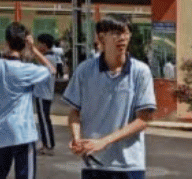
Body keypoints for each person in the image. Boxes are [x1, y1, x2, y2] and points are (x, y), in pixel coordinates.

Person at [63, 17, 157, 179]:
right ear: (101, 38)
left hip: (129, 164)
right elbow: (74, 112)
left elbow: (143, 120)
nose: (122, 38)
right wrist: (76, 138)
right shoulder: (84, 71)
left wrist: (104, 142)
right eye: (116, 33)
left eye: (126, 33)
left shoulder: (140, 72)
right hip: (93, 163)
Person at [0, 22, 57, 179]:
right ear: (25, 44)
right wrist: (34, 49)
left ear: (6, 42)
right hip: (23, 134)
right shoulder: (27, 70)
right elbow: (51, 70)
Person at [33, 33, 59, 154]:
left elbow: (38, 58)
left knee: (44, 121)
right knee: (43, 120)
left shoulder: (49, 58)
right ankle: (45, 143)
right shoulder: (49, 57)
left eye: (40, 44)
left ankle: (48, 145)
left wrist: (31, 47)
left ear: (44, 45)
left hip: (43, 94)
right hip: (43, 94)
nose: (38, 46)